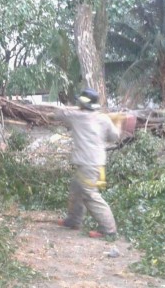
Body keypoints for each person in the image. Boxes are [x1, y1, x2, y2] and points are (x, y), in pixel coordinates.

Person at [54, 88, 122, 238]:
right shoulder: (103, 119)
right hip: (95, 163)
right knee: (76, 188)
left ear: (82, 103)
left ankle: (109, 230)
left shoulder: (76, 115)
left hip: (87, 164)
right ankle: (73, 220)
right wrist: (117, 122)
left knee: (90, 195)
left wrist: (76, 107)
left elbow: (58, 112)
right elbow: (114, 137)